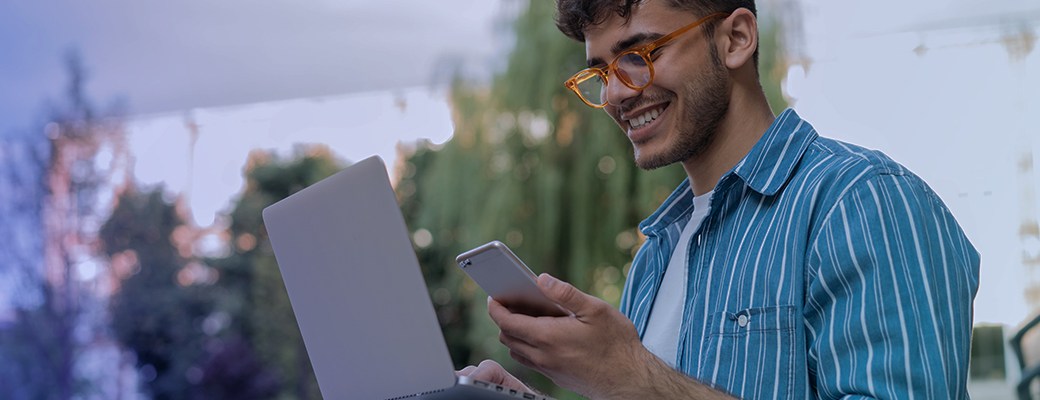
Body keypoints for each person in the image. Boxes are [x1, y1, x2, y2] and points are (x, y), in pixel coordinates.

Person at [457, 0, 981, 398]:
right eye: (600, 72)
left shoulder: (861, 201)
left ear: (736, 38)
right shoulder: (655, 256)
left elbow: (647, 388)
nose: (616, 93)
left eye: (641, 54)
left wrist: (634, 378)